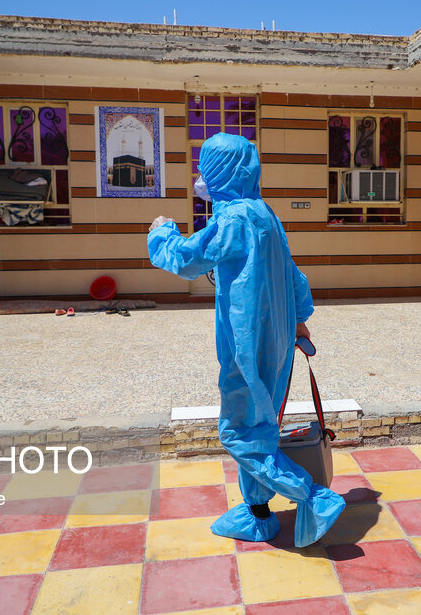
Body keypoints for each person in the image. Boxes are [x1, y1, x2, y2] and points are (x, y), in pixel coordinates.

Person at [147, 133, 345, 547]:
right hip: (274, 341)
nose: (202, 177)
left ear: (222, 171)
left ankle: (313, 497)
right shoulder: (263, 213)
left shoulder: (234, 218)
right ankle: (257, 513)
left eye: (206, 168)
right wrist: (300, 321)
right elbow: (293, 274)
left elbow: (187, 259)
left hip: (247, 343)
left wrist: (162, 234)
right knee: (261, 428)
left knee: (239, 432)